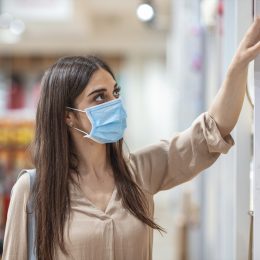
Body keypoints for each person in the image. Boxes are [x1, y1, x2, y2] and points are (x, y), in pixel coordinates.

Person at [2, 17, 260, 260]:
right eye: (100, 97)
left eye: (116, 92)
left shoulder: (139, 172)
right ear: (67, 116)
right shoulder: (33, 190)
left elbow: (211, 132)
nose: (115, 103)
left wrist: (237, 67)